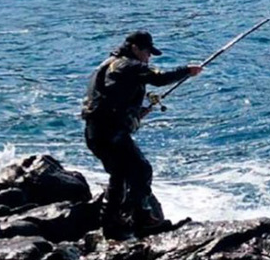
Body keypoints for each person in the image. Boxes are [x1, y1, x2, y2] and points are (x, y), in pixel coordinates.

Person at [81, 30, 202, 239]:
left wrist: (134, 113)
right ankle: (141, 220)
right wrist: (187, 71)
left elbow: (109, 98)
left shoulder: (109, 64)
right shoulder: (128, 65)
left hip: (96, 132)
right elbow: (159, 78)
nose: (149, 57)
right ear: (135, 48)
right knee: (141, 170)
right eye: (147, 52)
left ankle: (111, 223)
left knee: (119, 175)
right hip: (110, 133)